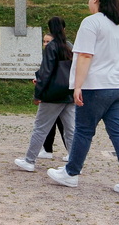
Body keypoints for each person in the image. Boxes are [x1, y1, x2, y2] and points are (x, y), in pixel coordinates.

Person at [47, 0, 119, 196]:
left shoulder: (91, 22)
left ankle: (71, 173)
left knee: (84, 130)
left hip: (98, 85)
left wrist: (77, 86)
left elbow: (85, 56)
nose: (88, 2)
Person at [14, 16, 75, 172]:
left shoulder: (51, 47)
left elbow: (46, 72)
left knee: (40, 127)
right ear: (64, 29)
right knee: (70, 129)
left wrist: (38, 94)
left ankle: (29, 160)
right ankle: (75, 162)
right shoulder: (69, 46)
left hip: (52, 94)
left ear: (50, 30)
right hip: (69, 92)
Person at [38, 33, 68, 161]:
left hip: (56, 94)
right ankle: (47, 149)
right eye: (44, 41)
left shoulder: (59, 54)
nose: (46, 44)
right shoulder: (49, 54)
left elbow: (50, 74)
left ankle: (70, 151)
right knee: (50, 123)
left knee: (64, 124)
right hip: (53, 92)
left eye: (48, 41)